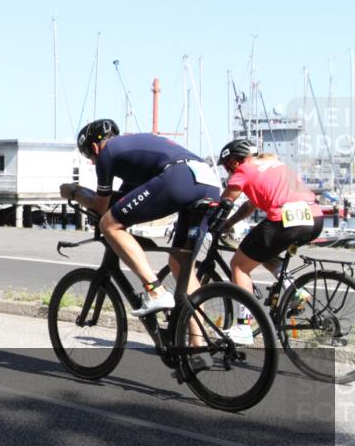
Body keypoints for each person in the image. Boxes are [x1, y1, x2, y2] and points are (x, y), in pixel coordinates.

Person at [60, 119, 222, 317]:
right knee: (180, 264)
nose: (92, 161)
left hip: (179, 176)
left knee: (109, 225)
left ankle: (155, 290)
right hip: (209, 182)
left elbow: (102, 208)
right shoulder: (132, 151)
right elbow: (120, 202)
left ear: (94, 146)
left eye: (88, 155)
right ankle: (196, 343)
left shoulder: (106, 153)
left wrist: (74, 193)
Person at [216, 139, 324, 344]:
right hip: (315, 219)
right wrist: (230, 223)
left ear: (235, 161)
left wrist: (212, 222)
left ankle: (243, 327)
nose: (228, 170)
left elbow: (225, 201)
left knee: (238, 265)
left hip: (287, 219)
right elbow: (248, 207)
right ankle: (296, 290)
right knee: (259, 252)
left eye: (227, 165)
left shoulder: (244, 169)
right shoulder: (274, 165)